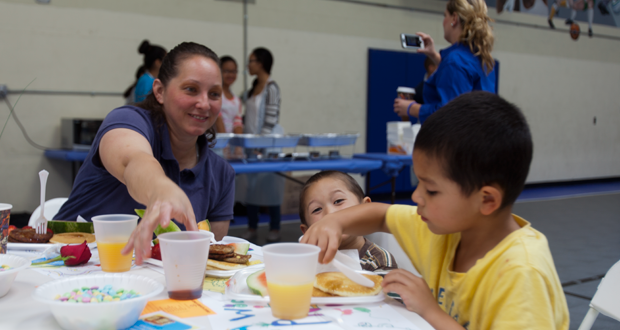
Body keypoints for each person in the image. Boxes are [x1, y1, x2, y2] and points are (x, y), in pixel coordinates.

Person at [303, 92, 569, 329]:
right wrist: (334, 223)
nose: (416, 196)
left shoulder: (522, 275)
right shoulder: (446, 228)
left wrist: (431, 311)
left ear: (486, 200)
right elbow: (382, 215)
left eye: (431, 190)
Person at [54, 42, 234, 264]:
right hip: (63, 273)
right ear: (160, 91)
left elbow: (212, 258)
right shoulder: (128, 121)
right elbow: (134, 161)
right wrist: (161, 189)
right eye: (191, 89)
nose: (204, 103)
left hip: (150, 289)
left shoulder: (222, 173)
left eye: (214, 93)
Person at [393, 0, 496, 124]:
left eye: (445, 15)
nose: (443, 22)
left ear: (454, 18)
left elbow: (450, 115)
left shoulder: (455, 61)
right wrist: (434, 55)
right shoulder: (483, 58)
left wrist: (411, 108)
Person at [299, 171, 398, 272]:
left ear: (366, 208)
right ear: (306, 231)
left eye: (338, 201)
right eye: (317, 209)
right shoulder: (304, 260)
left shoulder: (379, 262)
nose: (330, 213)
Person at [238, 47, 284, 243]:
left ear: (262, 63)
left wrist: (260, 144)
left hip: (267, 146)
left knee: (271, 187)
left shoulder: (272, 88)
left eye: (252, 61)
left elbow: (271, 120)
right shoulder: (248, 91)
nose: (248, 65)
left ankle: (274, 228)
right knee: (251, 188)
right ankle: (252, 227)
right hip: (250, 146)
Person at [214, 56, 243, 158]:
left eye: (234, 71)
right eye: (227, 71)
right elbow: (218, 119)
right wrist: (224, 145)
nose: (231, 75)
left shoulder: (237, 100)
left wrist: (239, 146)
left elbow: (237, 123)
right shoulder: (214, 94)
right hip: (217, 144)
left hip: (229, 145)